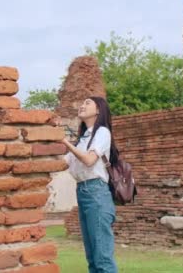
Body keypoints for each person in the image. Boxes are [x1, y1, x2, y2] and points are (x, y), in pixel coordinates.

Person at [61, 96, 118, 273]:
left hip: (97, 192)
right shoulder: (83, 138)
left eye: (87, 103)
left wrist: (64, 141)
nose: (82, 105)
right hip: (83, 192)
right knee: (92, 258)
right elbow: (63, 163)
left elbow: (89, 160)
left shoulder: (102, 132)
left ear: (98, 110)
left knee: (102, 258)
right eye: (81, 102)